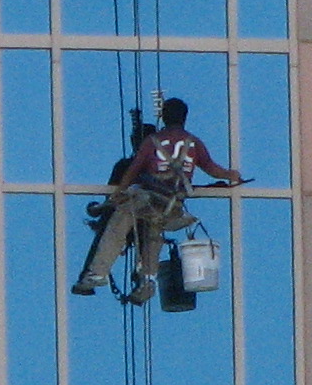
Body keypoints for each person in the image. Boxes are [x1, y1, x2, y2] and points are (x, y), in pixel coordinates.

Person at [73, 96, 246, 303]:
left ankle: (97, 273)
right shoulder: (193, 143)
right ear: (185, 118)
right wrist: (231, 175)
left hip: (146, 197)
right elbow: (212, 169)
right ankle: (148, 280)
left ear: (164, 117)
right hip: (171, 205)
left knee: (118, 225)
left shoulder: (153, 142)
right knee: (153, 233)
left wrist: (118, 193)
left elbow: (133, 169)